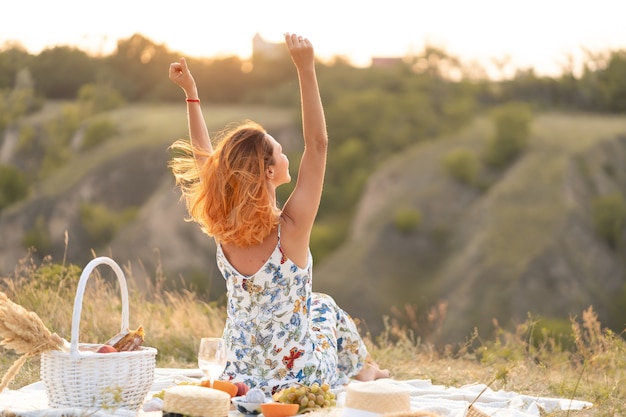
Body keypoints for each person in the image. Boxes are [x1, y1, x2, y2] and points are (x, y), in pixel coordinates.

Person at [167, 33, 389, 394]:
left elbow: (205, 159)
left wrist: (191, 93)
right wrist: (306, 69)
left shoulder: (224, 226)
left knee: (316, 305)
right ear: (269, 171)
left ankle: (367, 369)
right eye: (281, 152)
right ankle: (366, 371)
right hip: (296, 379)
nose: (288, 158)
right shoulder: (292, 229)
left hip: (237, 376)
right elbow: (318, 145)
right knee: (325, 307)